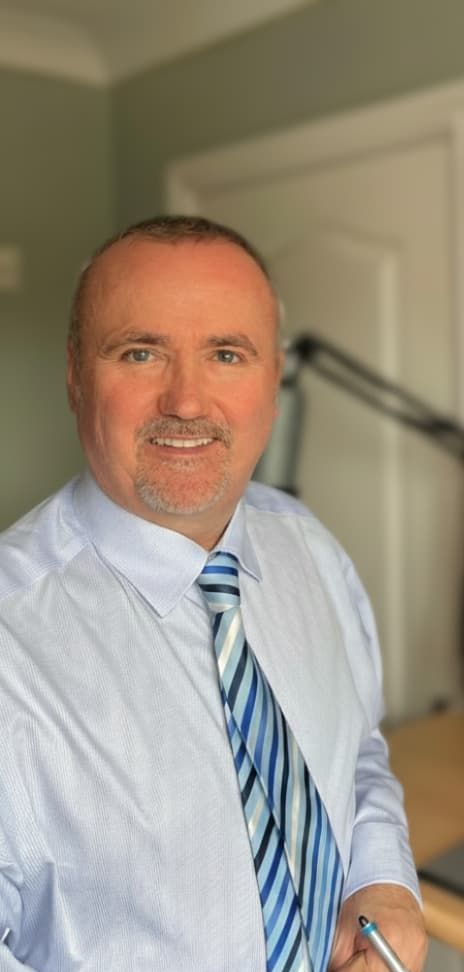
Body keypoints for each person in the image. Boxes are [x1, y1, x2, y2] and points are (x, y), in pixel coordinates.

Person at [0, 216, 428, 972]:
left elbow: (356, 752)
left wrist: (381, 880)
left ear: (275, 378)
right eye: (140, 352)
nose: (188, 401)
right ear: (74, 375)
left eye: (227, 354)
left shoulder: (309, 549)